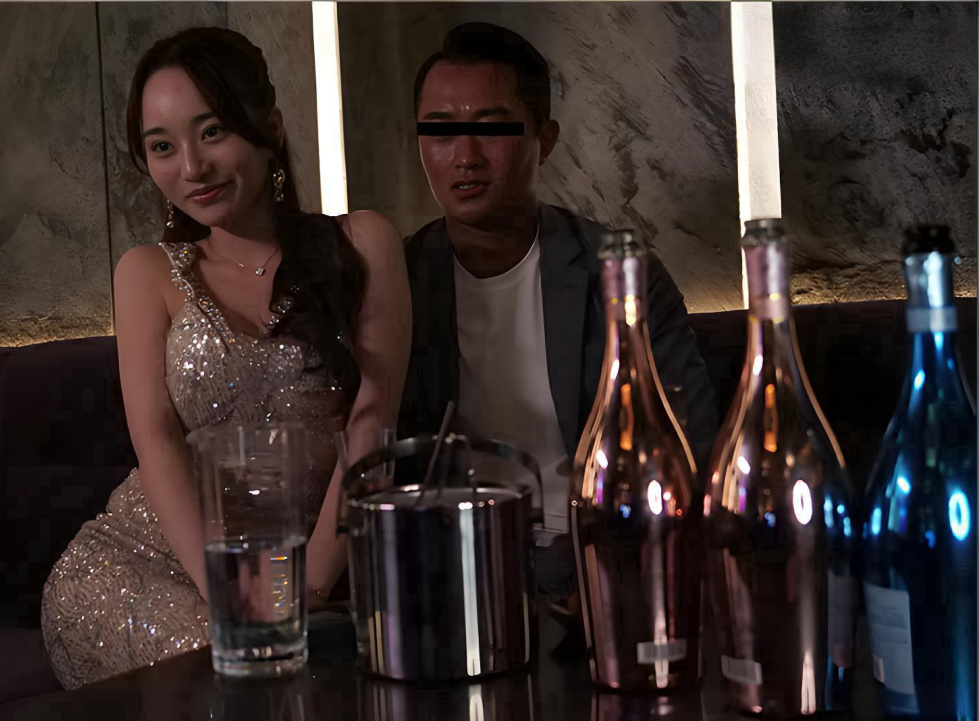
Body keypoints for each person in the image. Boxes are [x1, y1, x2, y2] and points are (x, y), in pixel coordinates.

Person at [41, 27, 411, 689]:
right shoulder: (147, 272)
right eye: (162, 146)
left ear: (269, 126)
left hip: (308, 568)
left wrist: (307, 587)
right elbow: (156, 440)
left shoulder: (362, 243)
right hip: (134, 564)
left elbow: (372, 425)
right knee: (235, 665)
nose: (191, 167)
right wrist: (233, 598)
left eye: (212, 132)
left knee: (277, 667)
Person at [399, 22, 717, 600]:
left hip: (601, 564)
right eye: (441, 131)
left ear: (543, 140)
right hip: (445, 575)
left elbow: (687, 445)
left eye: (492, 128)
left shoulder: (620, 276)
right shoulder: (398, 281)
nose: (465, 156)